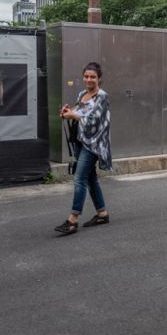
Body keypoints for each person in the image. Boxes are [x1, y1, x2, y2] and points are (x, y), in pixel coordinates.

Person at [55, 62, 112, 235]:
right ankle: (102, 213)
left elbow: (95, 121)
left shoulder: (102, 97)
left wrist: (74, 115)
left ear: (99, 79)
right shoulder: (82, 94)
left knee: (79, 179)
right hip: (80, 141)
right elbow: (79, 111)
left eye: (93, 77)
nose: (89, 79)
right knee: (90, 179)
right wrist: (67, 111)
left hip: (94, 144)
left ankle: (73, 220)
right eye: (86, 76)